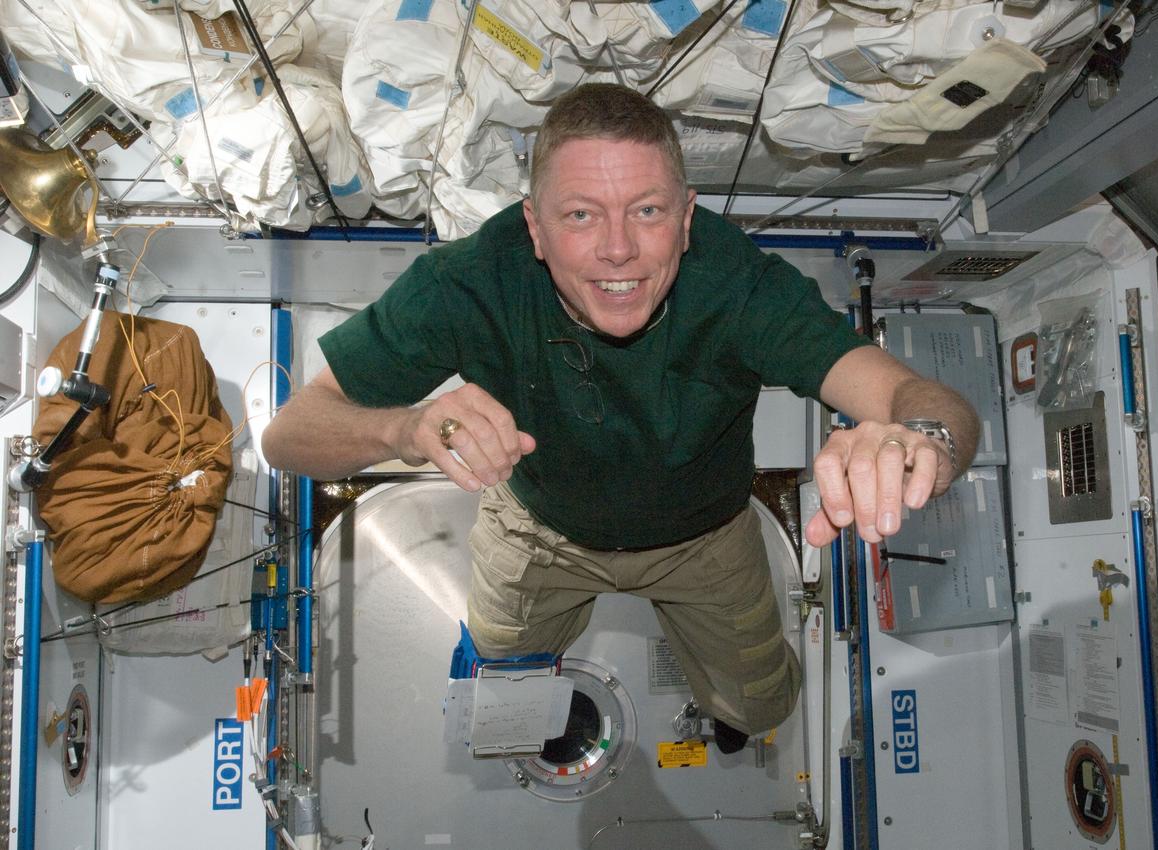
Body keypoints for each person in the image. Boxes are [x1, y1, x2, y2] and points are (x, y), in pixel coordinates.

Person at [262, 83, 978, 753]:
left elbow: (923, 402)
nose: (618, 250)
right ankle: (542, 705)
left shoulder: (740, 289)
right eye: (581, 215)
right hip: (541, 532)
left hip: (705, 540)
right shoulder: (469, 285)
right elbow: (288, 436)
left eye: (647, 210)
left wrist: (921, 444)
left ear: (687, 219)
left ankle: (730, 715)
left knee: (761, 709)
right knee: (508, 675)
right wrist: (406, 429)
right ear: (535, 229)